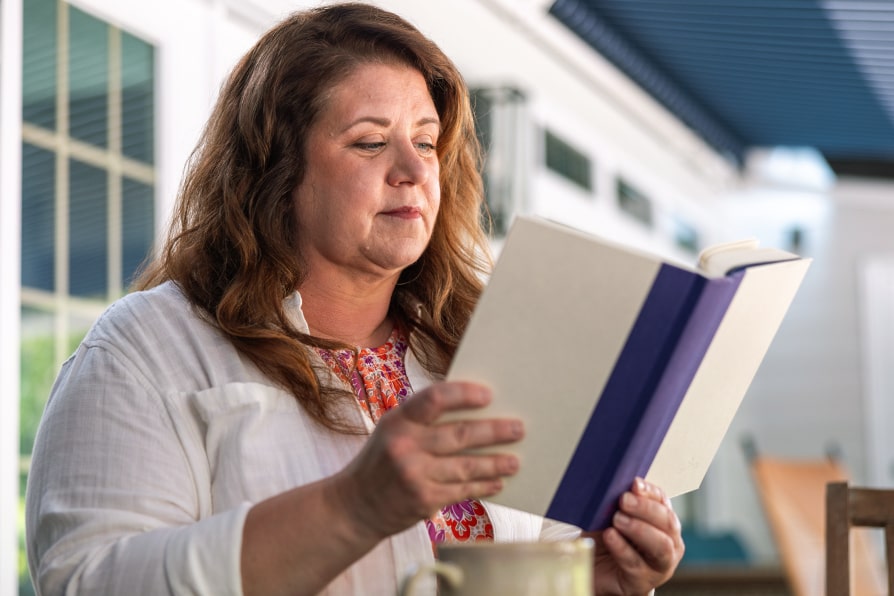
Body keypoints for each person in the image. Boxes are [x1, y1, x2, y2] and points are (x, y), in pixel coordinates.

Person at [25, 3, 684, 595]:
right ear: (275, 169)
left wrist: (591, 579)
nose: (415, 170)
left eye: (425, 142)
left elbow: (528, 563)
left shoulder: (482, 346)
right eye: (370, 142)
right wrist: (351, 507)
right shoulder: (144, 350)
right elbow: (88, 581)